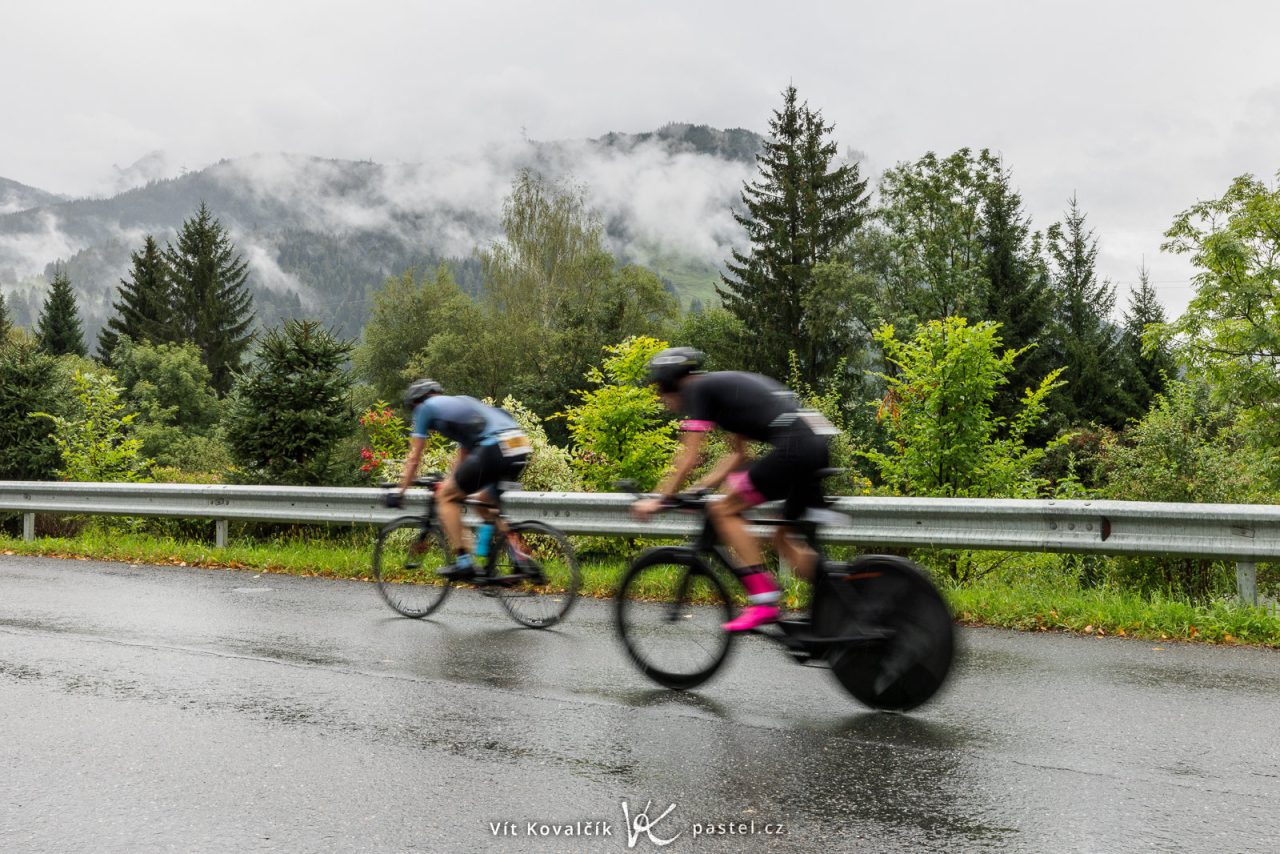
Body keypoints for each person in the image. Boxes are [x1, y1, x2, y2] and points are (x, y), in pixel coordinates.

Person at [631, 348, 836, 631]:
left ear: (669, 383)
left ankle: (764, 601)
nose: (660, 399)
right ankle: (839, 599)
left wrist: (659, 499)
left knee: (722, 510)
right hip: (811, 446)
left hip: (794, 449)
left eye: (659, 390)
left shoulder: (698, 391)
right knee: (782, 539)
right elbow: (738, 456)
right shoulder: (720, 393)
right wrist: (698, 489)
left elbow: (688, 457)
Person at [385, 379, 531, 579]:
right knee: (483, 502)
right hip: (519, 445)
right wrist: (450, 481)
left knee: (445, 497)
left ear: (418, 401)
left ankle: (464, 563)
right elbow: (464, 456)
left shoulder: (425, 408)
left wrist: (400, 490)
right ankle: (520, 559)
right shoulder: (462, 403)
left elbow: (414, 458)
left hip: (493, 446)